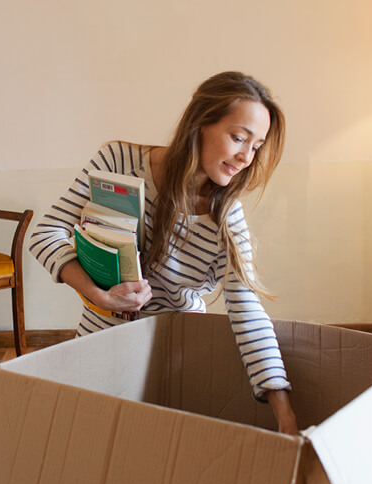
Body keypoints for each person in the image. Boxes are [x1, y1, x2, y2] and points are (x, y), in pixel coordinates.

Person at [28, 71, 297, 434]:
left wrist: (285, 415)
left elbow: (247, 310)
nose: (247, 157)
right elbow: (46, 234)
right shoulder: (117, 161)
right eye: (238, 138)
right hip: (101, 341)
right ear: (200, 123)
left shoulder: (227, 218)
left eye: (257, 146)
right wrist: (98, 295)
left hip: (176, 357)